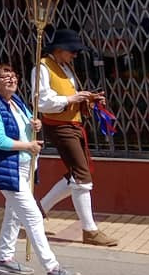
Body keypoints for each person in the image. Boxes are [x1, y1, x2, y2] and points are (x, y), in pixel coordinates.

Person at [0, 62, 81, 275]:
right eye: (5, 77)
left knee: (14, 214)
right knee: (33, 216)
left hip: (25, 166)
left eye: (13, 75)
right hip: (7, 168)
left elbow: (25, 130)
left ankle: (4, 258)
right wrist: (27, 146)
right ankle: (52, 269)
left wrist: (34, 125)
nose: (12, 80)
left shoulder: (16, 101)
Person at [32, 29, 118, 247]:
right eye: (72, 51)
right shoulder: (41, 68)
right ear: (59, 50)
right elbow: (41, 102)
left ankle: (40, 209)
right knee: (82, 177)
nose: (75, 56)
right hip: (60, 126)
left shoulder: (65, 67)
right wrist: (72, 98)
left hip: (74, 124)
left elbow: (67, 96)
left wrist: (88, 99)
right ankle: (89, 230)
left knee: (77, 174)